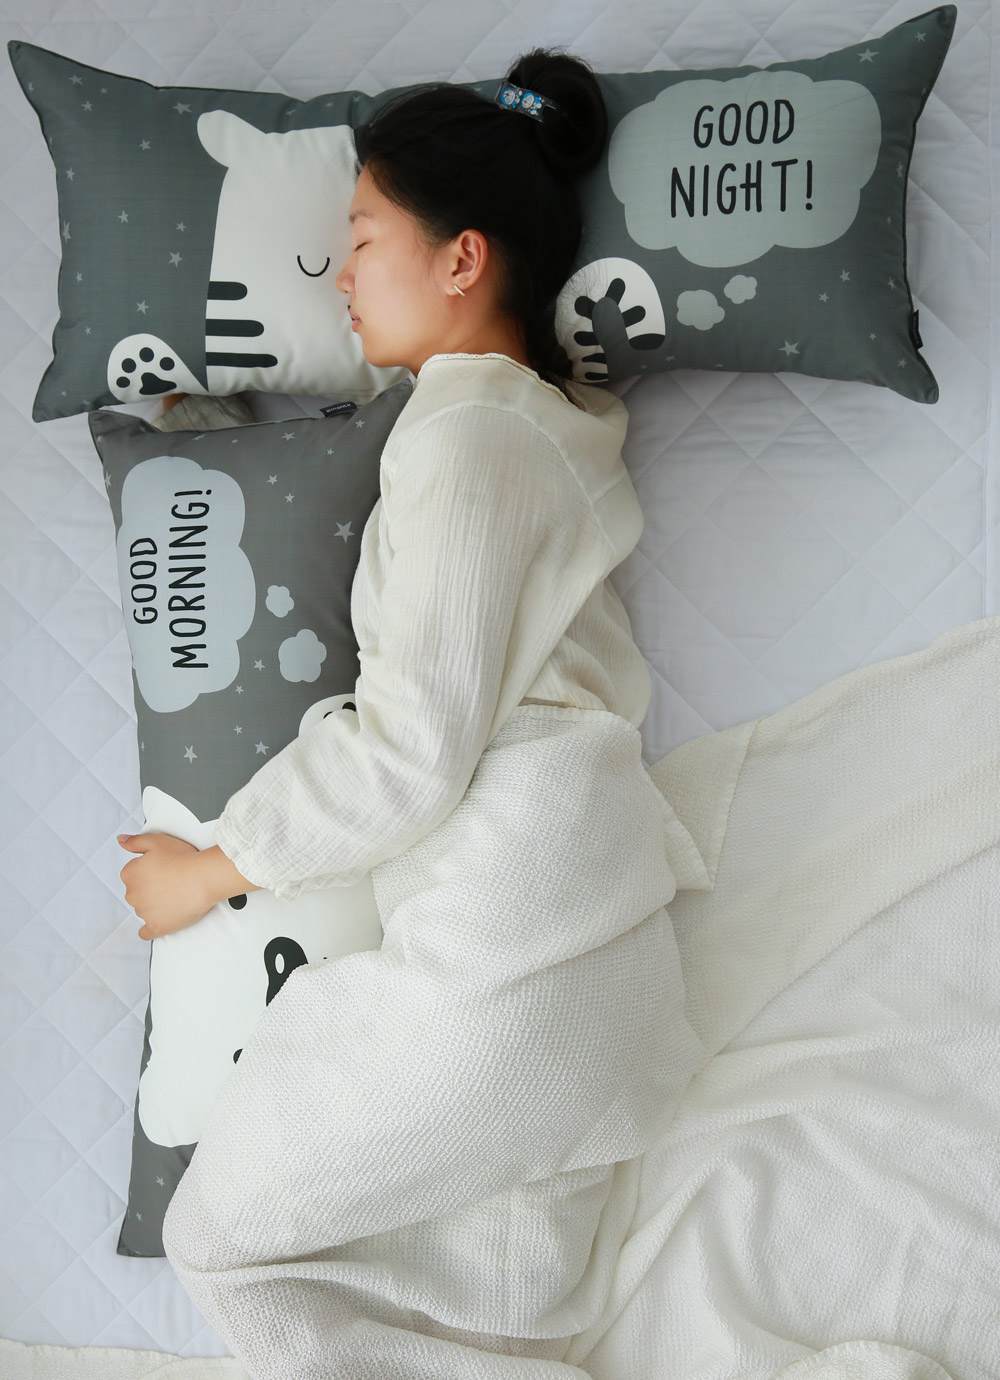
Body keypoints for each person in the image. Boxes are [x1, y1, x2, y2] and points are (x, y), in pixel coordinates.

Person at [121, 50, 705, 1378]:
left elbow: (410, 750)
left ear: (462, 259)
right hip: (593, 952)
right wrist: (210, 431)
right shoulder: (533, 424)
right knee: (507, 1319)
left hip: (516, 931)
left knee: (220, 1240)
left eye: (364, 238)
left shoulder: (463, 441)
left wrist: (213, 868)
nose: (339, 275)